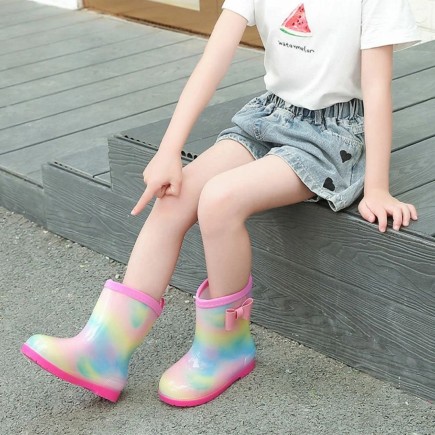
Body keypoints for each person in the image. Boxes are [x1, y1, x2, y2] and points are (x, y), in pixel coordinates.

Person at [21, 0, 420, 407]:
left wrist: (377, 187)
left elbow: (376, 88)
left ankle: (226, 346)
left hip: (331, 136)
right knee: (176, 194)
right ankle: (103, 349)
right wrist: (169, 151)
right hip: (272, 114)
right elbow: (212, 61)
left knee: (219, 199)